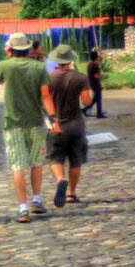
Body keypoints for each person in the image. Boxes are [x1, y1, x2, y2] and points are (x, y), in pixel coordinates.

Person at [0, 32, 60, 223]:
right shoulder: (40, 68)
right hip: (36, 121)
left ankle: (23, 208)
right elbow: (45, 97)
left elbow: (0, 80)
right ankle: (37, 200)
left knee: (18, 166)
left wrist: (7, 55)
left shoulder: (4, 65)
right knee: (36, 163)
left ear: (11, 49)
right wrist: (53, 121)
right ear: (28, 48)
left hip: (12, 123)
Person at [46, 45, 94, 207]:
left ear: (56, 60)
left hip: (56, 123)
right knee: (76, 159)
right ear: (71, 60)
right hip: (76, 124)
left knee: (55, 157)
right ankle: (71, 194)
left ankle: (61, 179)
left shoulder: (48, 77)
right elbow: (86, 101)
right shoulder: (80, 78)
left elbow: (43, 100)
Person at [84, 48, 106, 118]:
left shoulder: (89, 64)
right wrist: (103, 77)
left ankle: (86, 109)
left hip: (91, 83)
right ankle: (99, 113)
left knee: (95, 99)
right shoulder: (95, 65)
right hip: (96, 84)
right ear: (96, 57)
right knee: (98, 99)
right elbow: (96, 76)